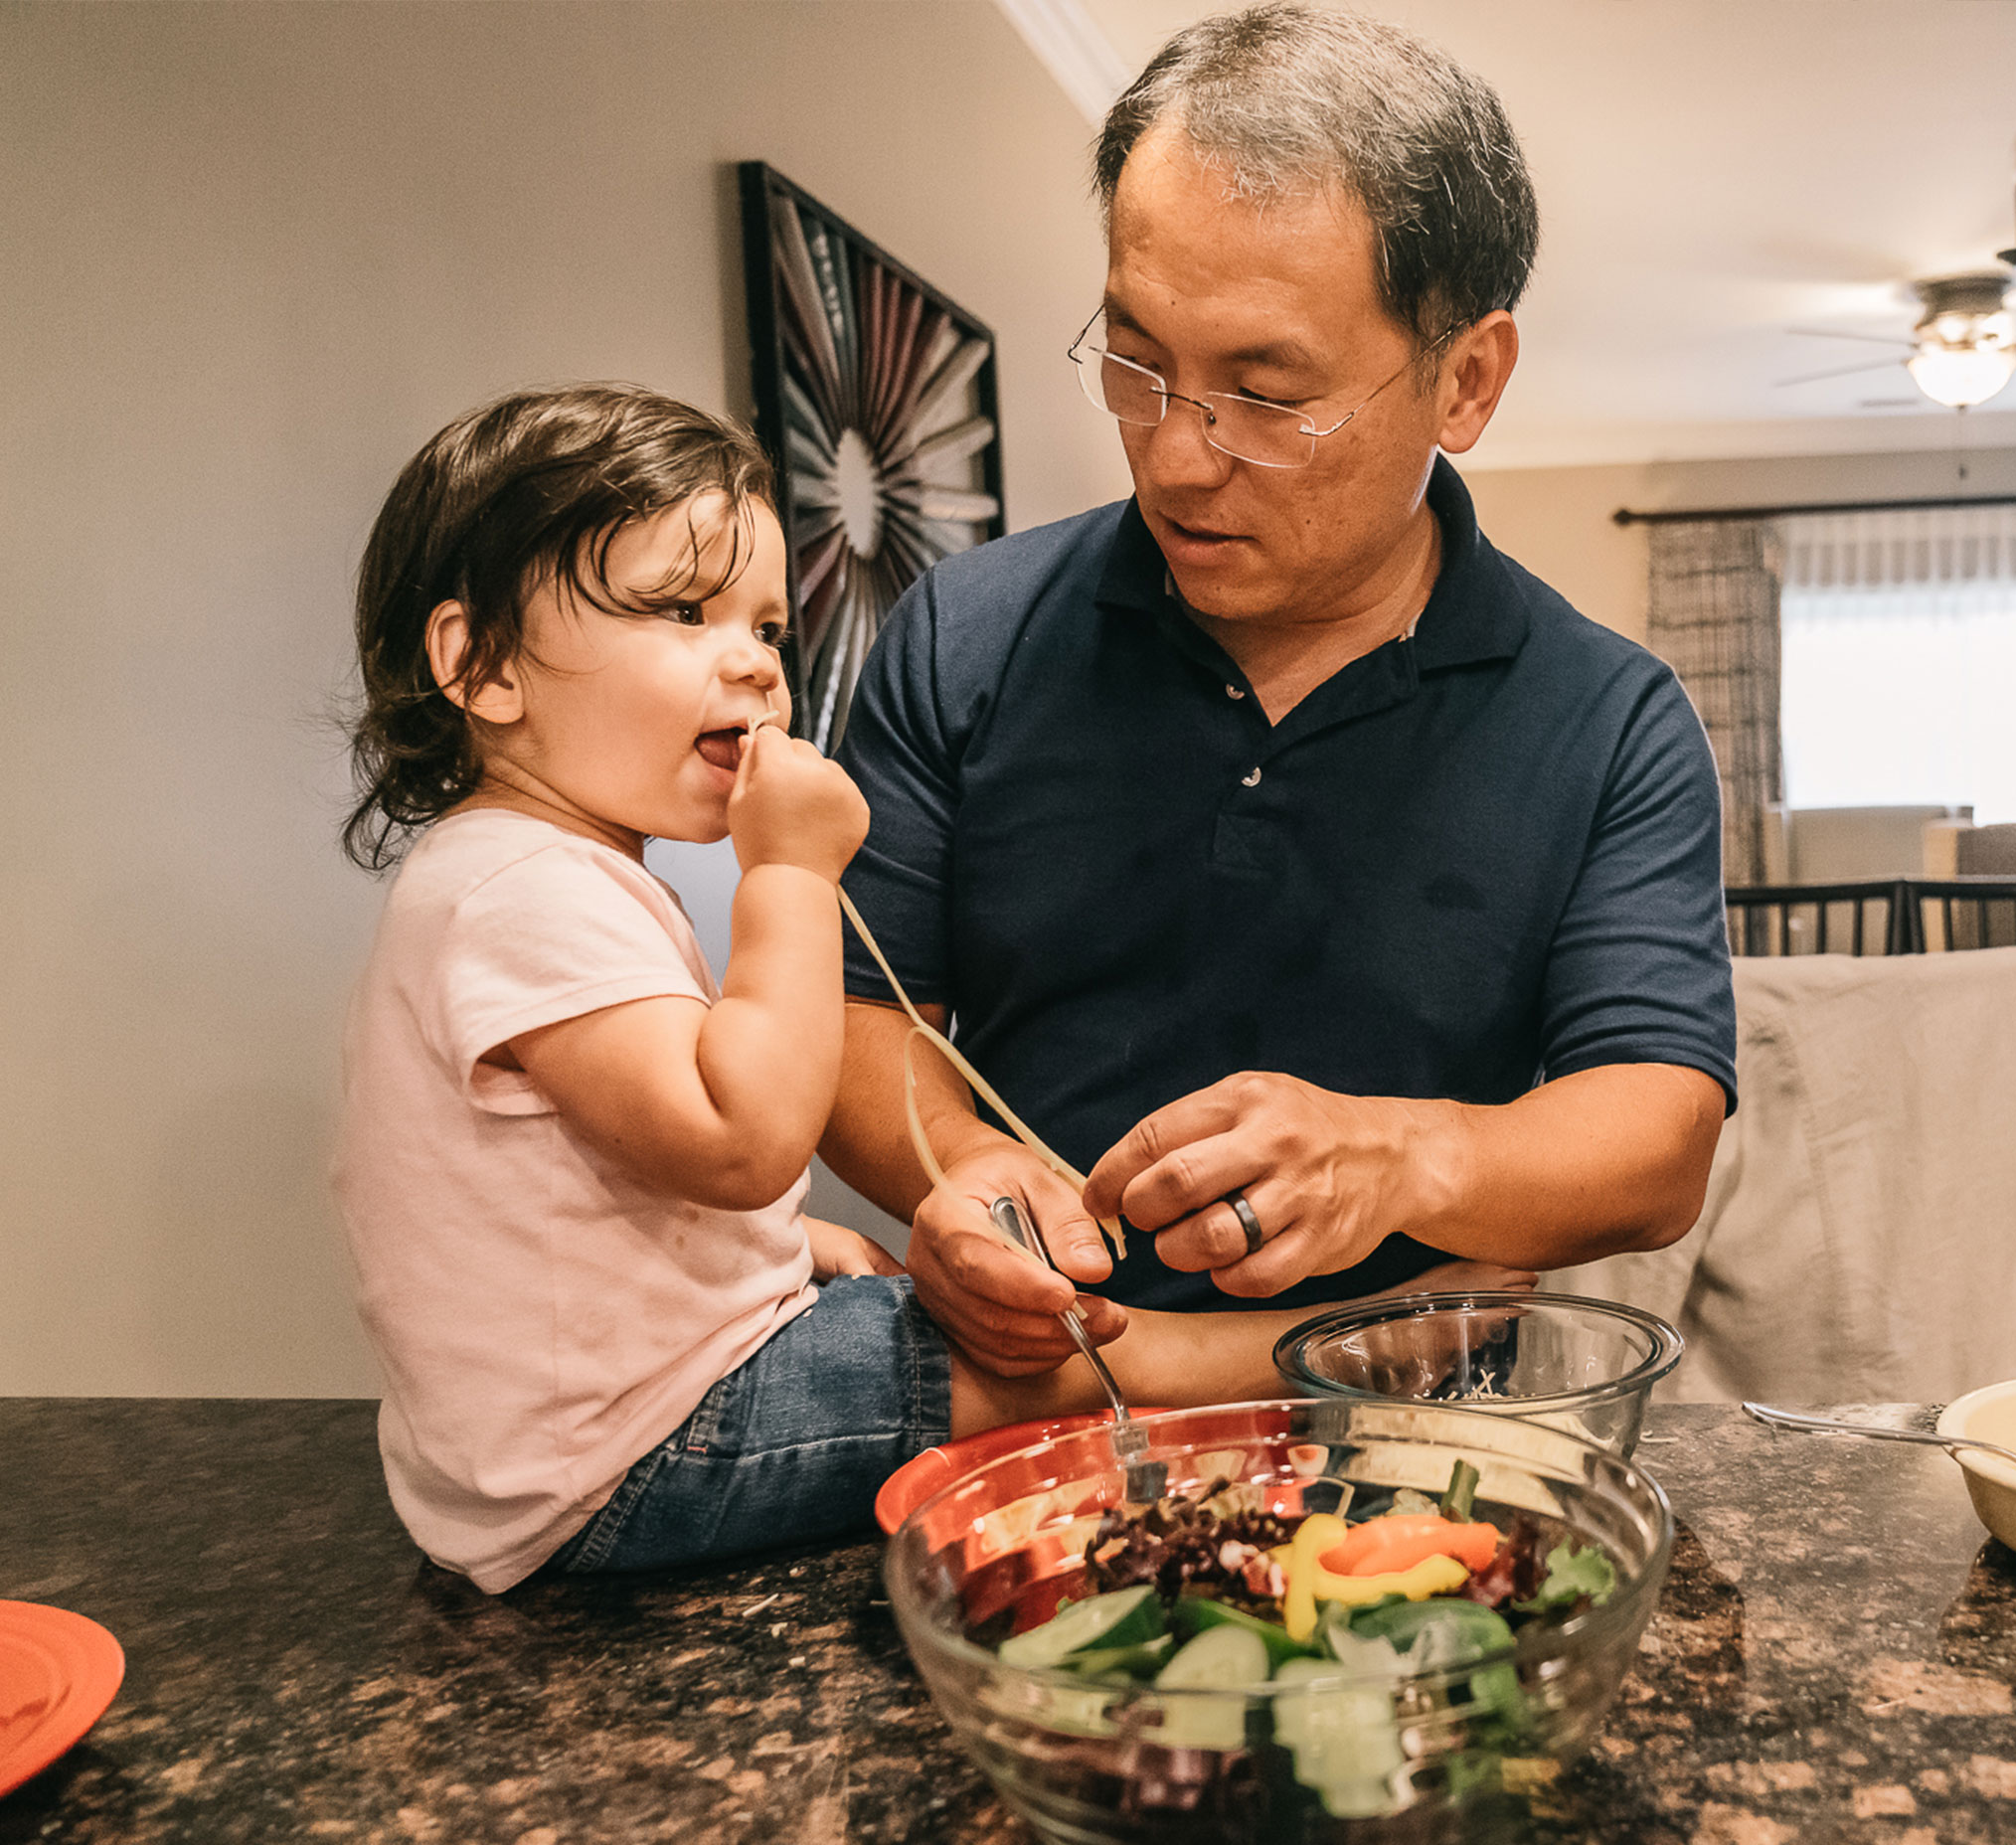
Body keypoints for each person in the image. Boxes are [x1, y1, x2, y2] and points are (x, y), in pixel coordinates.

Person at [331, 385, 1504, 1593]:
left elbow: (611, 1172)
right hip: (627, 1460)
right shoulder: (525, 890)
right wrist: (788, 871)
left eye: (768, 626)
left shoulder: (514, 876)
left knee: (916, 1295)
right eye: (681, 611)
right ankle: (1345, 1353)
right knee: (1013, 1355)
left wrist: (785, 1251)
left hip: (558, 1454)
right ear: (478, 665)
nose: (752, 663)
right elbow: (741, 1143)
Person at [822, 5, 1738, 1384]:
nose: (1178, 460)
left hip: (1425, 1440)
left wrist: (1400, 1151)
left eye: (1265, 394)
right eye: (1137, 361)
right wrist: (964, 1163)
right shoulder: (966, 634)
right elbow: (853, 1017)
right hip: (1024, 1419)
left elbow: (1658, 1132)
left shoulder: (1609, 718)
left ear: (1466, 380)